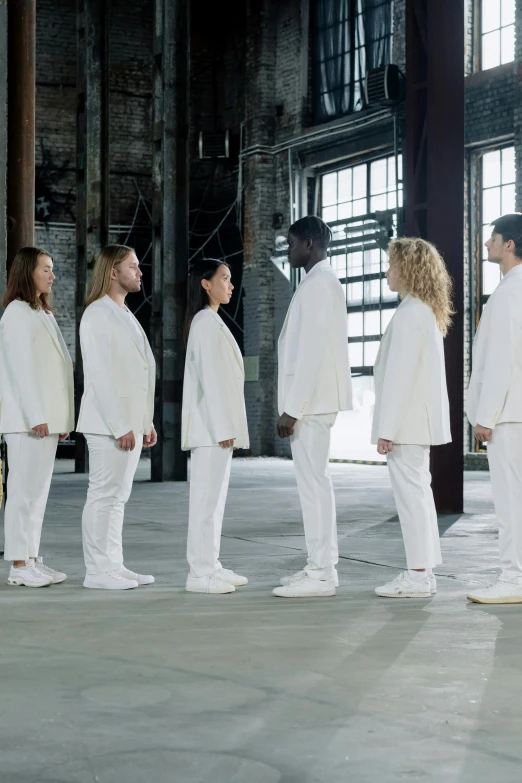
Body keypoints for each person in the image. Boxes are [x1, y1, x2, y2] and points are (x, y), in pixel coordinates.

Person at [273, 216, 352, 598]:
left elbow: (312, 353)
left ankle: (322, 572)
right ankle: (318, 567)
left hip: (311, 404)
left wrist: (293, 408)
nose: (287, 250)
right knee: (314, 485)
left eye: (290, 244)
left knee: (314, 486)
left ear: (308, 243)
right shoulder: (315, 283)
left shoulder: (320, 284)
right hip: (312, 403)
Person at [371, 238, 453, 598]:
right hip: (415, 422)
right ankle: (424, 573)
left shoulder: (409, 314)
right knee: (419, 496)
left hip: (405, 425)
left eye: (391, 265)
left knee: (412, 499)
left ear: (408, 268)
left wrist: (386, 429)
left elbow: (399, 377)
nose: (386, 271)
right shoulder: (423, 311)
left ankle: (418, 576)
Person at [77, 245, 157, 590]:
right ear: (113, 272)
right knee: (103, 495)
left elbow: (135, 372)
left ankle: (114, 564)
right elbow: (100, 374)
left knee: (117, 499)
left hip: (129, 423)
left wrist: (145, 421)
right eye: (133, 266)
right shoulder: (97, 314)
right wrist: (120, 424)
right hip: (109, 425)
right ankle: (97, 571)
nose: (139, 272)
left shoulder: (123, 313)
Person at [0, 247, 74, 587]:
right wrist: (37, 415)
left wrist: (59, 418)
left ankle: (31, 557)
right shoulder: (16, 312)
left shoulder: (40, 312)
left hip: (45, 420)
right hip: (27, 420)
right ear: (28, 272)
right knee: (22, 492)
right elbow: (22, 371)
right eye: (46, 268)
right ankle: (17, 564)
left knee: (38, 492)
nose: (52, 275)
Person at [182, 259, 249, 594]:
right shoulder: (205, 324)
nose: (230, 285)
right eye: (224, 279)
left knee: (215, 504)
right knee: (205, 504)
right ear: (205, 284)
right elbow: (211, 379)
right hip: (211, 430)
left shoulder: (213, 321)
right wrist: (224, 428)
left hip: (217, 429)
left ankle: (211, 564)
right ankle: (199, 573)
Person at [466, 214, 522, 604]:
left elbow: (501, 360)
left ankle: (513, 578)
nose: (486, 245)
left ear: (509, 246)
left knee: (509, 500)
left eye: (492, 239)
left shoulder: (508, 292)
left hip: (508, 415)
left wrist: (485, 417)